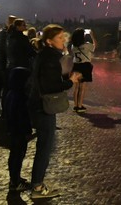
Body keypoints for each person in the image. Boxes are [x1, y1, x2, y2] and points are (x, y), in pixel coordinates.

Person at [28, 24, 81, 199]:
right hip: (44, 107)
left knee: (44, 145)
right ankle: (37, 187)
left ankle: (36, 183)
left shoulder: (45, 55)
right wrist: (70, 81)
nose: (63, 40)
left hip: (37, 104)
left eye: (64, 37)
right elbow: (51, 85)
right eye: (59, 38)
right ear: (49, 41)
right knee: (45, 147)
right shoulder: (50, 58)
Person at [3, 66, 32, 193]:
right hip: (19, 131)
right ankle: (15, 182)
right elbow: (22, 116)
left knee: (14, 155)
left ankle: (15, 178)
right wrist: (27, 131)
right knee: (18, 156)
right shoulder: (20, 97)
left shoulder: (10, 94)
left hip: (13, 130)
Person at [0, 15, 17, 118]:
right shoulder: (7, 35)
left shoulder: (0, 34)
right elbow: (7, 51)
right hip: (3, 65)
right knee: (6, 88)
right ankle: (4, 111)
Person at [70, 28, 96, 113]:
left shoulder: (73, 46)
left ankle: (75, 105)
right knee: (82, 88)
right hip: (85, 66)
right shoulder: (87, 45)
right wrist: (92, 36)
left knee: (76, 87)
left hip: (76, 66)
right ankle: (80, 106)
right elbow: (94, 47)